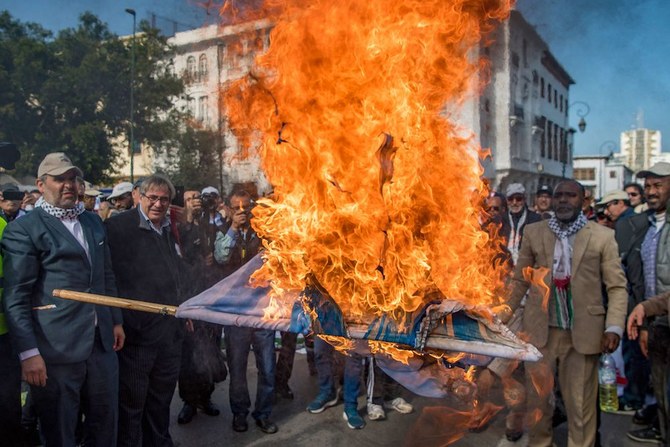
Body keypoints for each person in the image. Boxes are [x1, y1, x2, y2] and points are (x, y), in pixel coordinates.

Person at [2, 152, 124, 446]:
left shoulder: (93, 222)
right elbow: (16, 297)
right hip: (54, 349)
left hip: (101, 344)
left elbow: (106, 275)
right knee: (60, 431)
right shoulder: (23, 230)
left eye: (72, 179)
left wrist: (115, 321)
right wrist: (28, 353)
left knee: (105, 426)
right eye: (60, 179)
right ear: (41, 185)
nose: (69, 185)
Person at [504, 179, 628, 447]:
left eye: (570, 196)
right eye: (559, 195)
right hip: (539, 332)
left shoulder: (602, 236)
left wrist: (613, 327)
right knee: (539, 405)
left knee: (581, 407)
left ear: (583, 201)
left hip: (583, 335)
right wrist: (501, 315)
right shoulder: (534, 232)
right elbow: (519, 280)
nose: (562, 200)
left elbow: (617, 287)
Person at [106, 174, 186, 446]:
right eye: (153, 197)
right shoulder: (118, 227)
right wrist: (120, 321)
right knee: (132, 404)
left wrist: (184, 311)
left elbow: (177, 273)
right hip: (138, 336)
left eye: (164, 199)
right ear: (138, 195)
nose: (159, 204)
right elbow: (110, 277)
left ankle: (160, 442)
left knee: (161, 400)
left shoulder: (168, 227)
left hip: (169, 334)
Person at [214, 189, 278, 434]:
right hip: (236, 314)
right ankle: (239, 413)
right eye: (236, 208)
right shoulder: (222, 232)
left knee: (268, 368)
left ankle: (263, 414)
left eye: (246, 207)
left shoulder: (263, 233)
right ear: (229, 210)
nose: (242, 212)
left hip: (262, 313)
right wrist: (232, 228)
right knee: (238, 369)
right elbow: (221, 257)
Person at [624, 162, 670, 444]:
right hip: (657, 326)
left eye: (658, 185)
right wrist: (645, 325)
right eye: (648, 187)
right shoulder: (647, 227)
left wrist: (647, 309)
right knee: (663, 396)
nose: (651, 192)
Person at [176, 189, 225, 424]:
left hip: (210, 294)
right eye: (189, 199)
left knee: (211, 350)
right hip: (188, 296)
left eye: (198, 198)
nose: (195, 202)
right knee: (189, 356)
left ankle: (206, 398)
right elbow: (181, 254)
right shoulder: (178, 227)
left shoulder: (211, 223)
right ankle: (189, 402)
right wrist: (189, 219)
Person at [503, 183, 541, 265]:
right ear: (507, 201)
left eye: (518, 199)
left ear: (524, 199)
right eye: (510, 199)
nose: (514, 202)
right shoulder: (501, 220)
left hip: (526, 268)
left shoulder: (535, 220)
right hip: (504, 268)